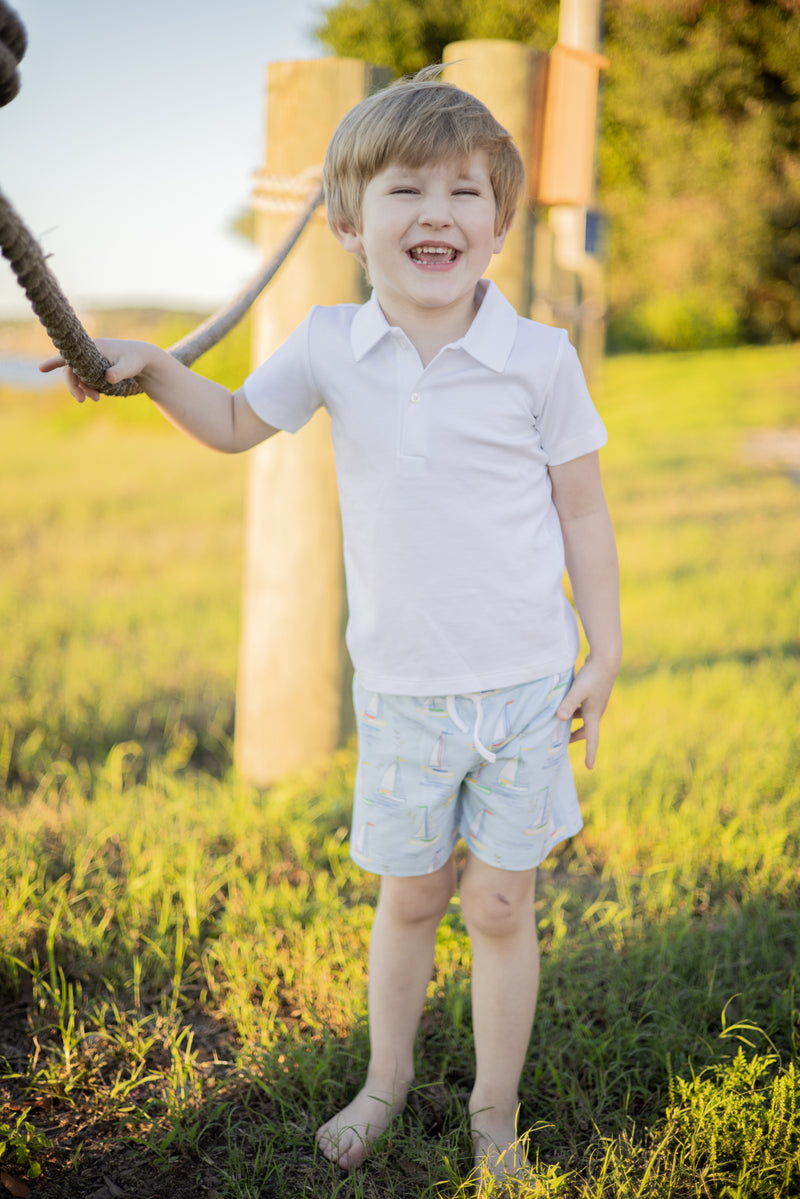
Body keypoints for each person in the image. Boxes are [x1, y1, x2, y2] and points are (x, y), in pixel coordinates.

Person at [42, 73, 621, 1185]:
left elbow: (582, 508)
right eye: (404, 189)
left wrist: (604, 649)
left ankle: (493, 1110)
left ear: (500, 223)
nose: (436, 212)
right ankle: (384, 1079)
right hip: (403, 692)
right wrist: (160, 367)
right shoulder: (325, 343)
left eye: (464, 191)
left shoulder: (538, 358)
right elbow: (229, 422)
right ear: (349, 223)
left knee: (500, 901)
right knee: (409, 893)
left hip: (524, 689)